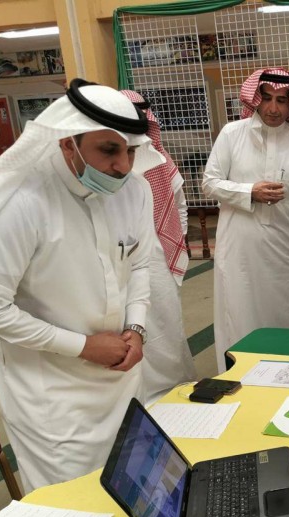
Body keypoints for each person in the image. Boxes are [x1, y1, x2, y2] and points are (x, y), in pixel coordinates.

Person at [0, 79, 164, 517]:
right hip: (52, 399)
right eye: (109, 150)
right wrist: (83, 346)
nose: (122, 165)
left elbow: (140, 264)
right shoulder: (23, 202)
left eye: (130, 151)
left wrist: (136, 328)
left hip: (121, 381)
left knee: (126, 508)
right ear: (68, 141)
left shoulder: (133, 190)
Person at [203, 68, 289, 372]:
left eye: (282, 100)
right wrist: (249, 192)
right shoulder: (232, 134)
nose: (273, 108)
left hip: (285, 248)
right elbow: (209, 183)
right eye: (266, 98)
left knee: (286, 313)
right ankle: (238, 377)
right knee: (239, 313)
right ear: (255, 99)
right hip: (240, 248)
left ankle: (286, 376)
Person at [120, 90, 196, 405]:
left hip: (156, 256)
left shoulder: (157, 157)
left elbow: (179, 205)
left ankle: (173, 388)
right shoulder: (106, 162)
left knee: (166, 322)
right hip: (117, 259)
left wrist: (174, 239)